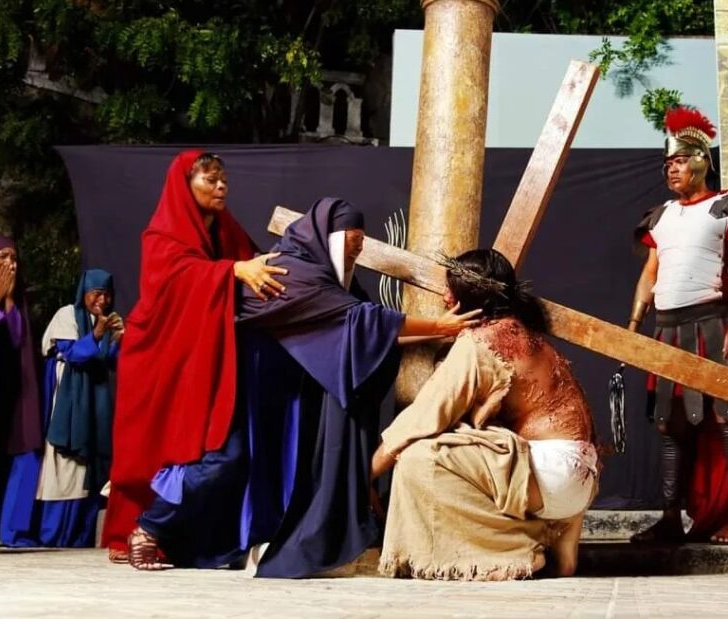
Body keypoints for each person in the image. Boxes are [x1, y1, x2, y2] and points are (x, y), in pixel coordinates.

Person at [128, 197, 480, 575]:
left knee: (263, 473)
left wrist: (437, 332)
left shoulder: (329, 279)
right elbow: (363, 320)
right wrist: (439, 327)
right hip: (235, 389)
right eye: (354, 239)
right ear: (329, 236)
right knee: (223, 462)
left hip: (277, 397)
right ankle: (148, 529)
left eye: (362, 241)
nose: (359, 248)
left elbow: (367, 336)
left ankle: (224, 542)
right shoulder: (290, 272)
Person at [372, 249, 598, 581]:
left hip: (546, 478)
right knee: (476, 435)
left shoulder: (481, 342)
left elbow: (425, 415)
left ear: (469, 296)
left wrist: (368, 472)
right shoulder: (532, 335)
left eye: (450, 288)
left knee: (418, 457)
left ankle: (518, 550)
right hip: (583, 480)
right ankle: (559, 533)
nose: (445, 296)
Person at [102, 150, 278, 567]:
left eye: (223, 179)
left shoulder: (227, 229)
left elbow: (253, 263)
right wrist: (231, 272)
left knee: (230, 456)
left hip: (213, 359)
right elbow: (178, 280)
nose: (221, 187)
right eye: (210, 180)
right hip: (165, 361)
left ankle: (167, 533)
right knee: (209, 456)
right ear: (186, 186)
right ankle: (150, 527)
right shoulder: (160, 237)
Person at [627, 107, 728, 546]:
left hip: (713, 323)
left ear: (699, 160)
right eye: (667, 163)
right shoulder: (662, 216)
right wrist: (635, 324)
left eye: (678, 160)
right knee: (669, 425)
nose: (670, 169)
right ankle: (671, 517)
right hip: (668, 328)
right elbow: (651, 275)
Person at [0, 269, 123, 547]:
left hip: (94, 403)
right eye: (96, 293)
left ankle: (77, 536)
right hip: (67, 405)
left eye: (106, 294)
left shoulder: (105, 321)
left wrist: (117, 339)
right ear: (84, 292)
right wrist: (97, 335)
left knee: (85, 472)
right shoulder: (67, 315)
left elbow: (112, 361)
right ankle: (50, 534)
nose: (102, 300)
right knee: (61, 469)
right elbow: (73, 354)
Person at [0, 235, 41, 543]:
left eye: (14, 258)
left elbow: (17, 338)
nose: (10, 264)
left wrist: (6, 299)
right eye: (2, 256)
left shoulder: (10, 297)